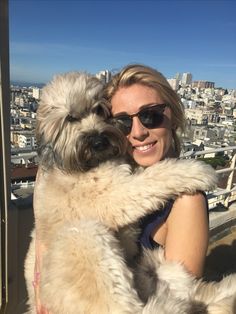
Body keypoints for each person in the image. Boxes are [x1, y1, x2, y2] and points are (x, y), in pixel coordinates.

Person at [34, 64, 209, 313]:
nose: (138, 132)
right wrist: (39, 275)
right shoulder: (118, 165)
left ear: (174, 116)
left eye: (151, 115)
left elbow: (180, 299)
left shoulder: (187, 199)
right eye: (123, 122)